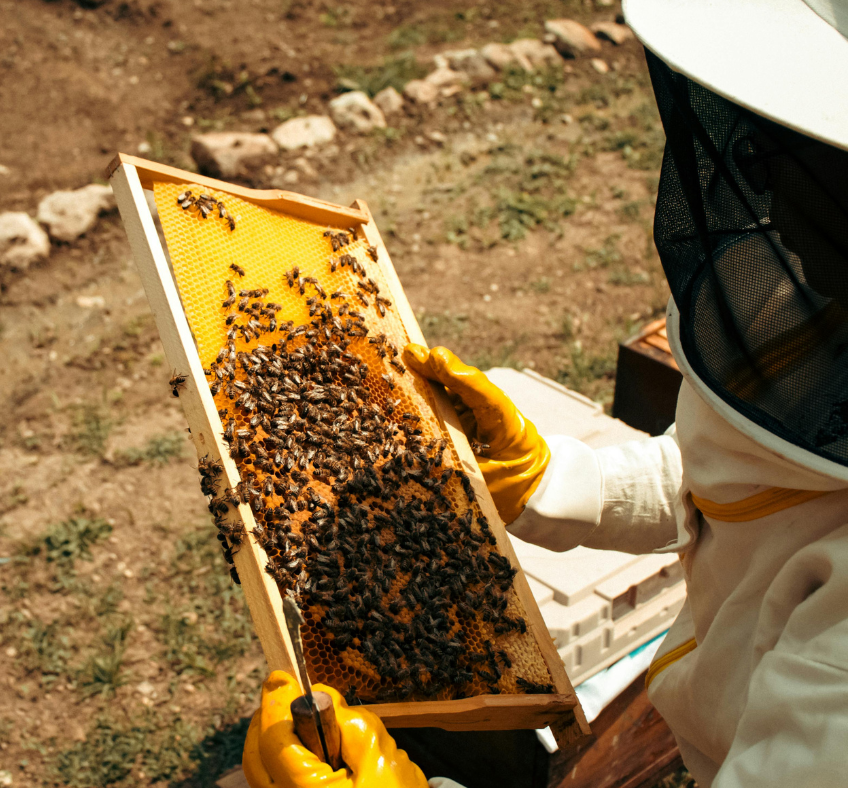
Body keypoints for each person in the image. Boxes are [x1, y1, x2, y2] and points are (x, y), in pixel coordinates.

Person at [242, 0, 848, 785]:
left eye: (809, 156)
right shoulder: (826, 318)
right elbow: (743, 481)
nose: (762, 179)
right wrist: (556, 479)